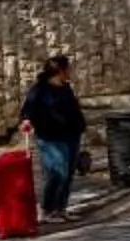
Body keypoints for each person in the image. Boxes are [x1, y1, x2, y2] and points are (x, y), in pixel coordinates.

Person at [18, 53, 86, 222]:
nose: (70, 71)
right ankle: (47, 209)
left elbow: (74, 110)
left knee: (68, 173)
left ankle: (60, 208)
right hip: (50, 137)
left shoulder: (65, 87)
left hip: (71, 134)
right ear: (59, 71)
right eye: (67, 68)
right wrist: (26, 121)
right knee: (57, 172)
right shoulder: (39, 89)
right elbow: (28, 109)